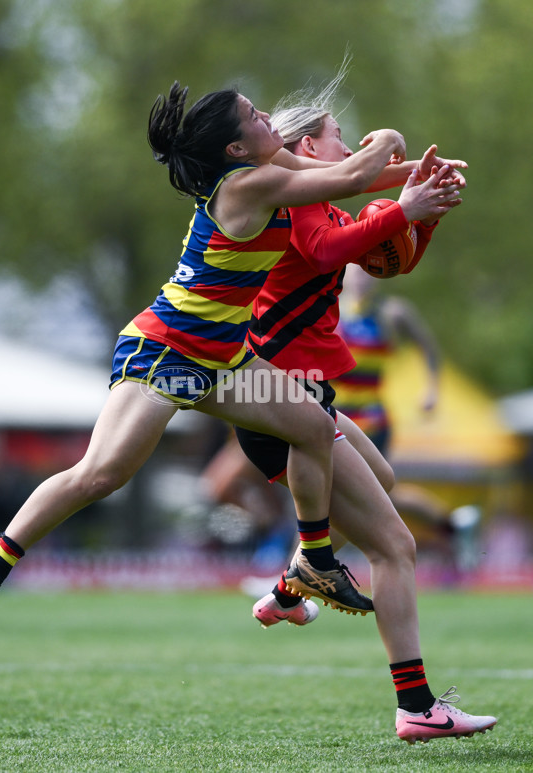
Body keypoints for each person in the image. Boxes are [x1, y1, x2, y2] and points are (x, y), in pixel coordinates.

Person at [0, 78, 424, 639]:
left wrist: (420, 176)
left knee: (313, 426)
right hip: (166, 352)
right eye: (253, 114)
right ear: (237, 150)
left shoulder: (273, 173)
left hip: (224, 360)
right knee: (103, 474)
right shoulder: (252, 184)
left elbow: (355, 179)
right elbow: (352, 176)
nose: (268, 114)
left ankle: (315, 561)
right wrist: (389, 137)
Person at [232, 76, 497, 743]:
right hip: (276, 399)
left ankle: (294, 589)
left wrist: (423, 209)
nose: (348, 144)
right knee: (396, 543)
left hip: (292, 397)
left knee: (381, 481)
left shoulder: (317, 202)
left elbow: (382, 259)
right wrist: (404, 199)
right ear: (309, 149)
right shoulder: (294, 206)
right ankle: (417, 705)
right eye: (338, 136)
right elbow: (330, 249)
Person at [333, 264, 482, 572]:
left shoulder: (392, 312)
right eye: (355, 272)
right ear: (343, 275)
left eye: (367, 272)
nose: (362, 278)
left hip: (371, 419)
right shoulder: (329, 309)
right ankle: (453, 524)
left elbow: (429, 349)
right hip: (333, 414)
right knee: (371, 492)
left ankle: (304, 568)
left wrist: (432, 389)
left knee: (355, 490)